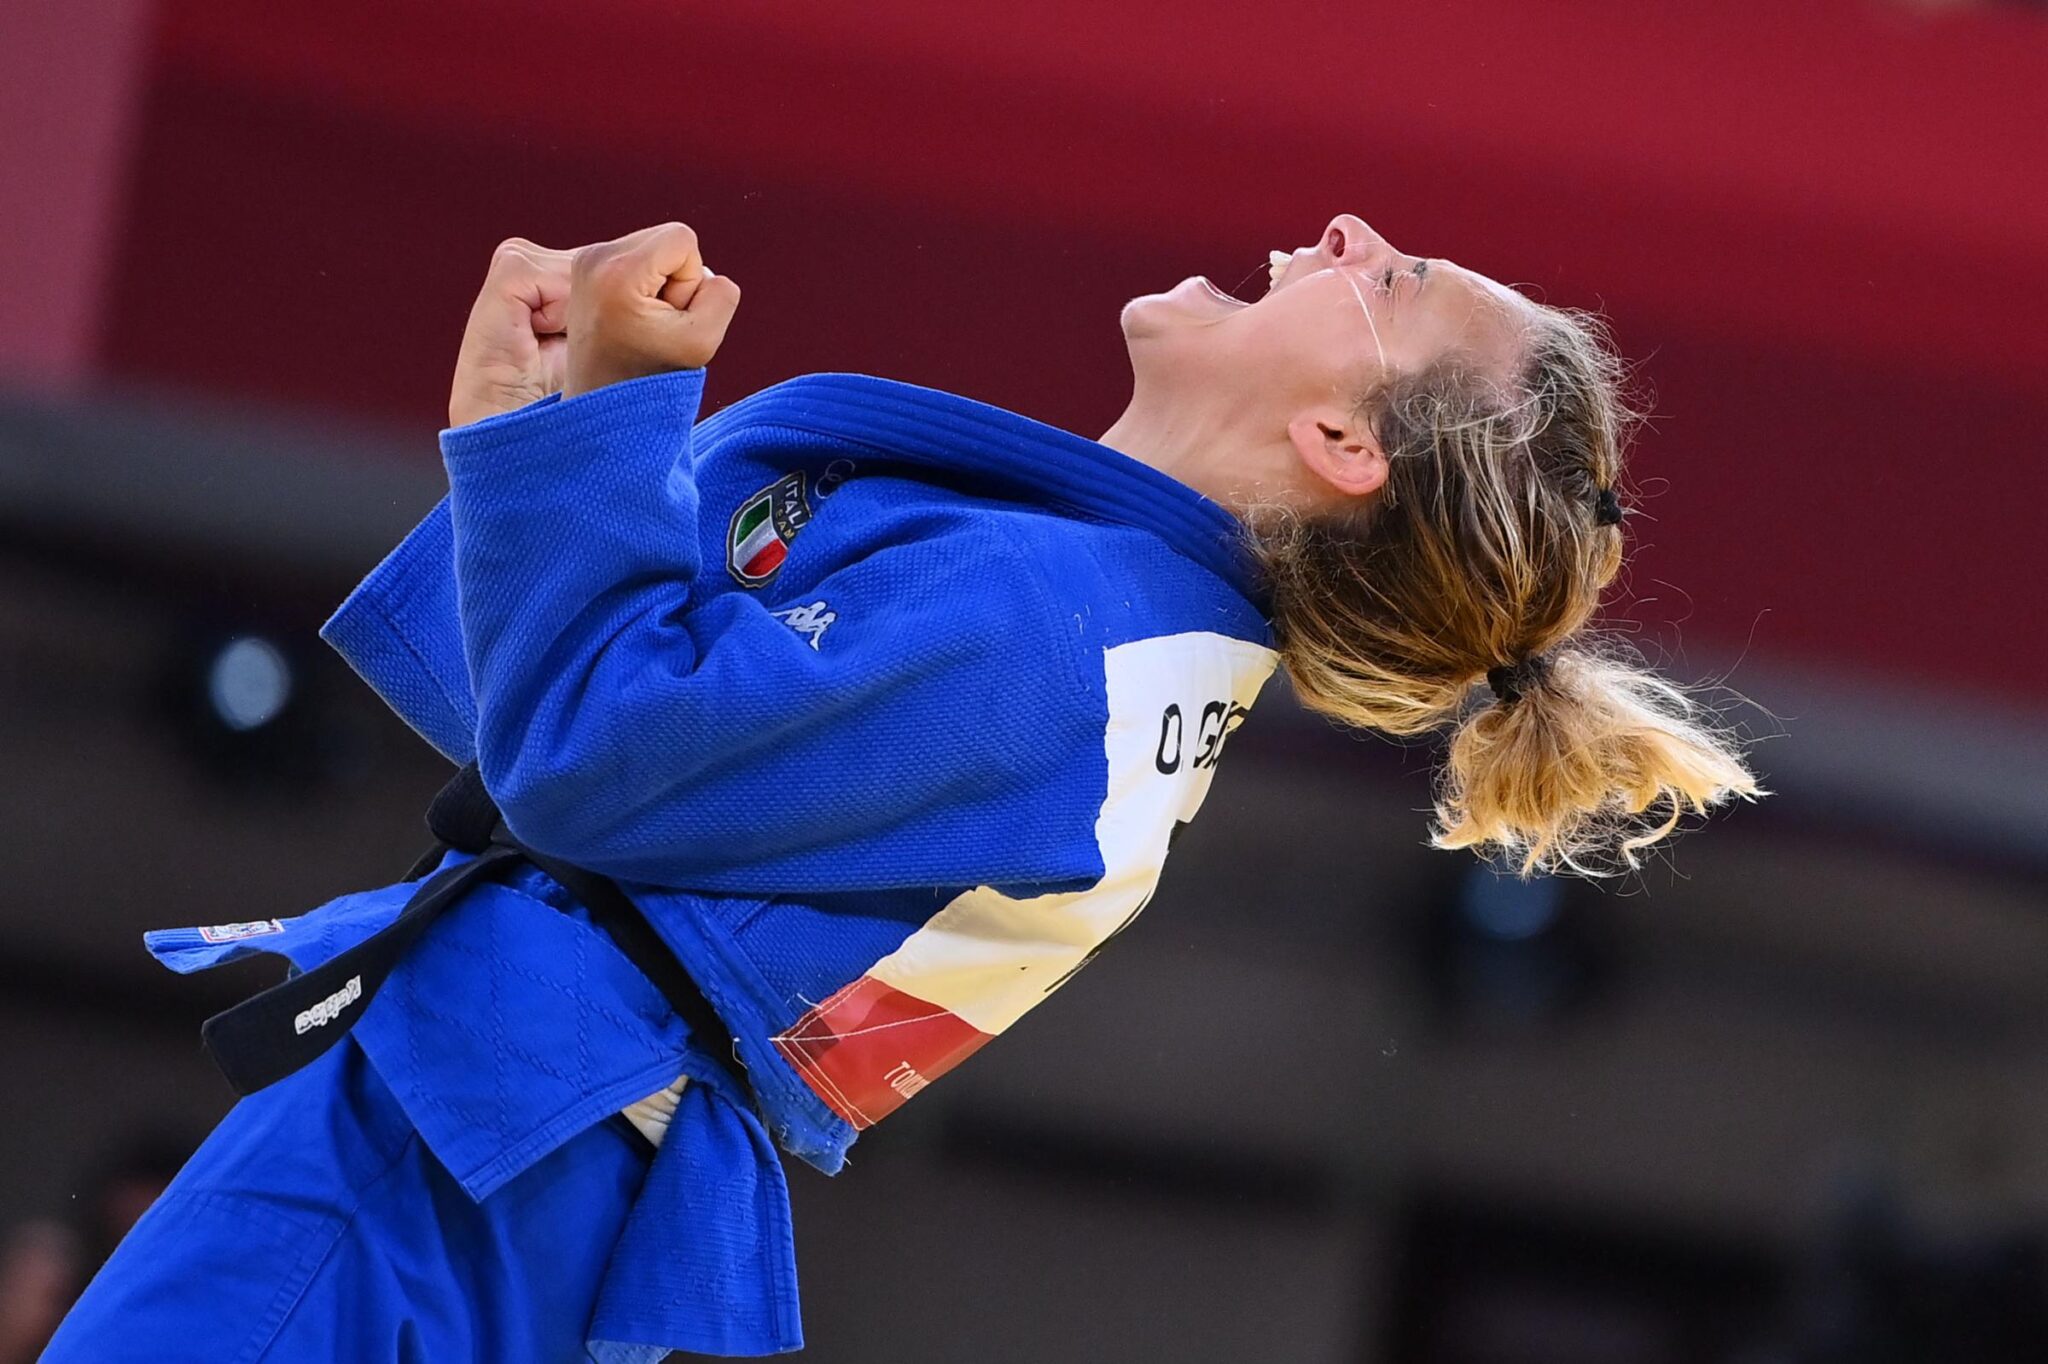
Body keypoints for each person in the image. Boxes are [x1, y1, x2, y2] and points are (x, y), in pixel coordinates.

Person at [41, 214, 1758, 1362]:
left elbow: (584, 760)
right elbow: (590, 755)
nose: (1347, 237)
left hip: (478, 1163)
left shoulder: (1057, 635)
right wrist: (528, 435)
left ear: (1344, 447)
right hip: (544, 1155)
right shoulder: (1114, 642)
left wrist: (614, 419)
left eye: (1392, 287)